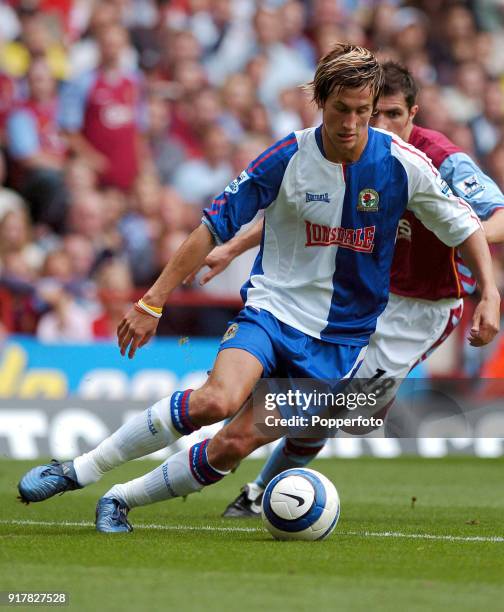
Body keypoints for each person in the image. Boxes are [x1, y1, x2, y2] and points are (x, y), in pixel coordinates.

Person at [17, 46, 500, 533]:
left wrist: (490, 296)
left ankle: (120, 500)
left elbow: (467, 226)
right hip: (273, 313)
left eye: (362, 111)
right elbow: (212, 225)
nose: (351, 123)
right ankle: (78, 470)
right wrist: (152, 300)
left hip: (339, 344)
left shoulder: (405, 164)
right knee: (215, 401)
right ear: (319, 102)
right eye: (340, 110)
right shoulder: (287, 156)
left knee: (235, 442)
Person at [214, 62, 504, 518]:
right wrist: (233, 246)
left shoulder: (443, 159)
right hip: (360, 292)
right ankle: (257, 487)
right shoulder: (355, 151)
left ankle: (272, 451)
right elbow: (299, 209)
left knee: (349, 417)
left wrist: (452, 228)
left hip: (423, 306)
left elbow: (498, 217)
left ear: (414, 114)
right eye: (376, 115)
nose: (380, 126)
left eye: (393, 115)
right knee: (322, 399)